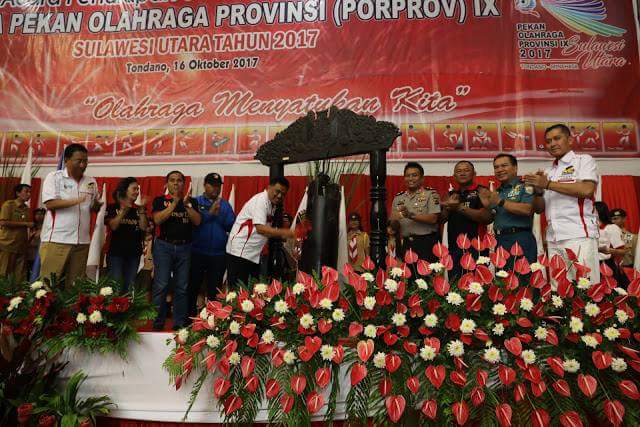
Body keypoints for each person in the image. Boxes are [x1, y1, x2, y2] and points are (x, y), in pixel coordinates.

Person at [526, 124, 600, 284]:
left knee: (586, 289)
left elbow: (587, 190)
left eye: (557, 138)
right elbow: (539, 209)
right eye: (548, 141)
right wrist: (538, 191)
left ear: (570, 140)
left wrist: (547, 184)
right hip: (553, 238)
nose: (552, 144)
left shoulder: (583, 160)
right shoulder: (548, 171)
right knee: (559, 291)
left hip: (579, 236)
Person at [39, 144, 102, 286]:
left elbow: (92, 207)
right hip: (57, 240)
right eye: (79, 161)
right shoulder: (54, 177)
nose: (83, 165)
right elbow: (50, 204)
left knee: (75, 286)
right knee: (48, 285)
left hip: (82, 242)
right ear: (66, 160)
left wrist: (97, 206)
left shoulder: (91, 181)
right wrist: (75, 201)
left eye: (85, 161)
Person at [151, 171, 201, 330]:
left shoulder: (191, 201)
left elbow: (198, 221)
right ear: (167, 184)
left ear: (183, 184)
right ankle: (157, 322)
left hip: (185, 248)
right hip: (164, 247)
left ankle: (179, 323)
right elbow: (157, 220)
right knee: (161, 285)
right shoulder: (160, 200)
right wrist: (174, 203)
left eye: (179, 180)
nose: (175, 183)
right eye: (172, 180)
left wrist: (185, 205)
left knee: (182, 287)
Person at [226, 177, 295, 287]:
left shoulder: (272, 205)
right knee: (238, 292)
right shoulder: (260, 201)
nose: (279, 196)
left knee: (252, 292)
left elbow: (267, 231)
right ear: (269, 187)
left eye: (283, 194)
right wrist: (285, 232)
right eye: (277, 191)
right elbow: (260, 229)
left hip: (253, 255)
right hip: (240, 253)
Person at [189, 173, 235, 317]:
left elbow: (232, 226)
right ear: (205, 185)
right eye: (212, 185)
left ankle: (213, 321)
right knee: (193, 287)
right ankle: (189, 319)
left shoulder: (225, 205)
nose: (216, 188)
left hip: (218, 255)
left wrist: (220, 215)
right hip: (197, 252)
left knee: (214, 291)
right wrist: (210, 213)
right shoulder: (195, 202)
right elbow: (194, 223)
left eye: (218, 186)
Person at [480, 154, 537, 264]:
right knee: (502, 275)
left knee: (523, 275)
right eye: (496, 167)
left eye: (504, 165)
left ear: (515, 168)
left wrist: (500, 201)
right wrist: (487, 206)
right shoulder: (496, 192)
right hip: (500, 240)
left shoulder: (526, 186)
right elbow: (490, 218)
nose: (499, 170)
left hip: (520, 239)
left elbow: (527, 210)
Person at [440, 161, 492, 278]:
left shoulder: (482, 191)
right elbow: (441, 220)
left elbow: (487, 218)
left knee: (477, 285)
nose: (462, 173)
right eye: (459, 171)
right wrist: (447, 207)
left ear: (474, 174)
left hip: (477, 248)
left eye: (466, 170)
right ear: (454, 176)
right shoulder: (451, 194)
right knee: (456, 285)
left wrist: (459, 207)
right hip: (455, 249)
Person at [390, 162, 440, 262]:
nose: (410, 178)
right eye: (407, 176)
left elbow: (433, 219)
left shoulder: (431, 194)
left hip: (426, 243)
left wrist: (410, 215)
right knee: (407, 272)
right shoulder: (398, 198)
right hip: (406, 243)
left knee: (427, 272)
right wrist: (393, 221)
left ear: (422, 178)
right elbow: (394, 226)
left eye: (414, 175)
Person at [105, 177, 148, 291]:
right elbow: (113, 226)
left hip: (134, 254)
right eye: (134, 189)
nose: (137, 192)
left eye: (138, 189)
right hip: (116, 254)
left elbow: (144, 228)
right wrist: (123, 210)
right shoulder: (112, 207)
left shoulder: (138, 210)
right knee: (115, 286)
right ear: (125, 190)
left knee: (130, 286)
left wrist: (142, 210)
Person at [0, 184, 33, 281]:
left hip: (21, 246)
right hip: (8, 244)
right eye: (26, 191)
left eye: (30, 192)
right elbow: (3, 222)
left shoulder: (26, 208)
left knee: (19, 275)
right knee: (4, 272)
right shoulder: (9, 205)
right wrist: (25, 224)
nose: (29, 194)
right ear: (18, 193)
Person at [595, 202, 629, 287]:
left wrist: (610, 251)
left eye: (592, 209)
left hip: (605, 264)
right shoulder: (589, 227)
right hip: (591, 263)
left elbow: (623, 251)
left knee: (609, 291)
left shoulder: (611, 228)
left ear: (599, 211)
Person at [27, 208, 46, 278]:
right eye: (37, 214)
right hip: (30, 253)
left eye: (41, 214)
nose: (39, 216)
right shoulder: (31, 226)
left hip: (41, 252)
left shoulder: (47, 227)